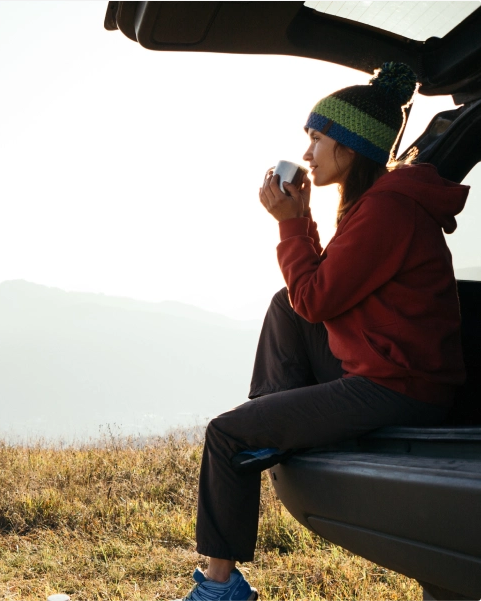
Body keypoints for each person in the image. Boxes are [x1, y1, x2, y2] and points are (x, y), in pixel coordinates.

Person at [173, 62, 469, 601]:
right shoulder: (375, 205)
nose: (307, 154)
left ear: (349, 149)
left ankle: (219, 590)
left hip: (398, 387)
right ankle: (272, 425)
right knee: (282, 306)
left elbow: (316, 297)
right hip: (388, 367)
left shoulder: (386, 211)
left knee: (227, 433)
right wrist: (304, 218)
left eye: (316, 139)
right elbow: (310, 297)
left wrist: (290, 221)